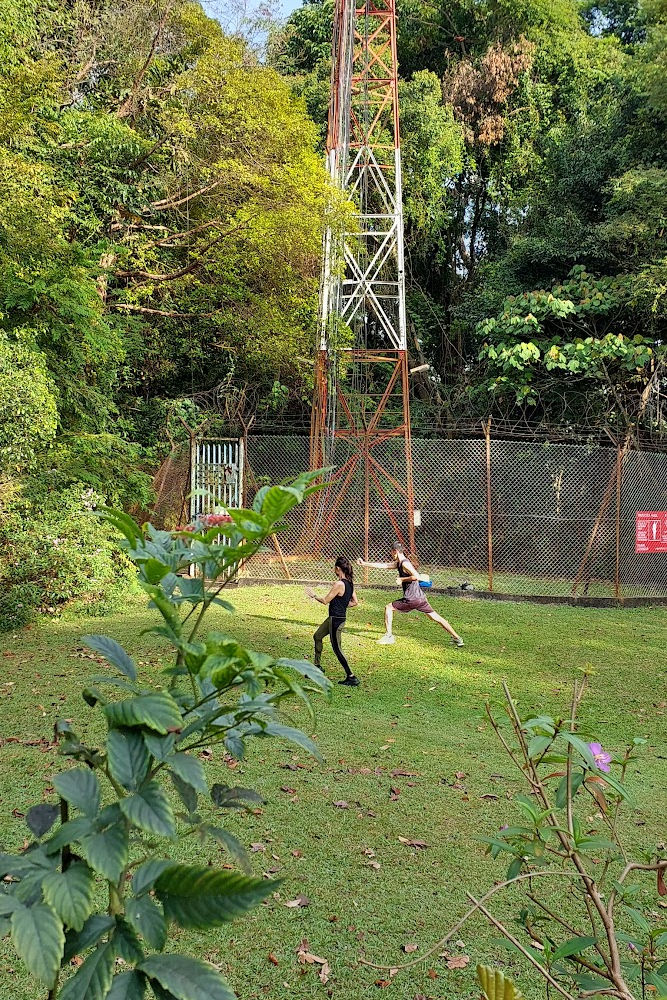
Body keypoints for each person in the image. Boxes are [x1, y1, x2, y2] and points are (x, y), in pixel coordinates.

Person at [357, 541, 464, 647]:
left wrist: (402, 579)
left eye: (391, 552)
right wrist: (364, 564)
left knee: (388, 607)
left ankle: (389, 636)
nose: (391, 555)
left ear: (395, 551)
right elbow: (383, 566)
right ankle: (457, 638)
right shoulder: (399, 563)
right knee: (435, 617)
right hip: (420, 598)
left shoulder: (405, 563)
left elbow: (417, 576)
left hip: (411, 599)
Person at [306, 556, 360, 686]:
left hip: (336, 620)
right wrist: (342, 604)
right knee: (317, 636)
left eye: (334, 568)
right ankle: (317, 666)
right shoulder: (350, 583)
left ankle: (351, 676)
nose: (333, 570)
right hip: (333, 618)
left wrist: (313, 595)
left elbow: (325, 601)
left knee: (337, 649)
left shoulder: (339, 584)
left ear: (337, 568)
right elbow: (354, 602)